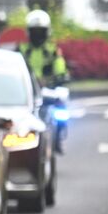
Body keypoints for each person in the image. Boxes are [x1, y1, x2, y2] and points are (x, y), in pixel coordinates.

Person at [18, 8, 71, 154]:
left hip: (49, 89)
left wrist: (61, 76)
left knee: (62, 106)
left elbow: (60, 65)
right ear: (29, 32)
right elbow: (16, 68)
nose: (37, 35)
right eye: (35, 32)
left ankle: (59, 136)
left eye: (40, 32)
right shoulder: (22, 49)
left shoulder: (52, 50)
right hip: (28, 90)